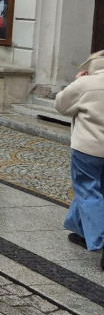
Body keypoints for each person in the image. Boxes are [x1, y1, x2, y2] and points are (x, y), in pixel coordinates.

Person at [55, 51, 104, 267]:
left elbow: (61, 106)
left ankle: (100, 240)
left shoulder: (86, 83)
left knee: (88, 190)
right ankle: (80, 230)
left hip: (88, 148)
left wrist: (77, 82)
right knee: (93, 189)